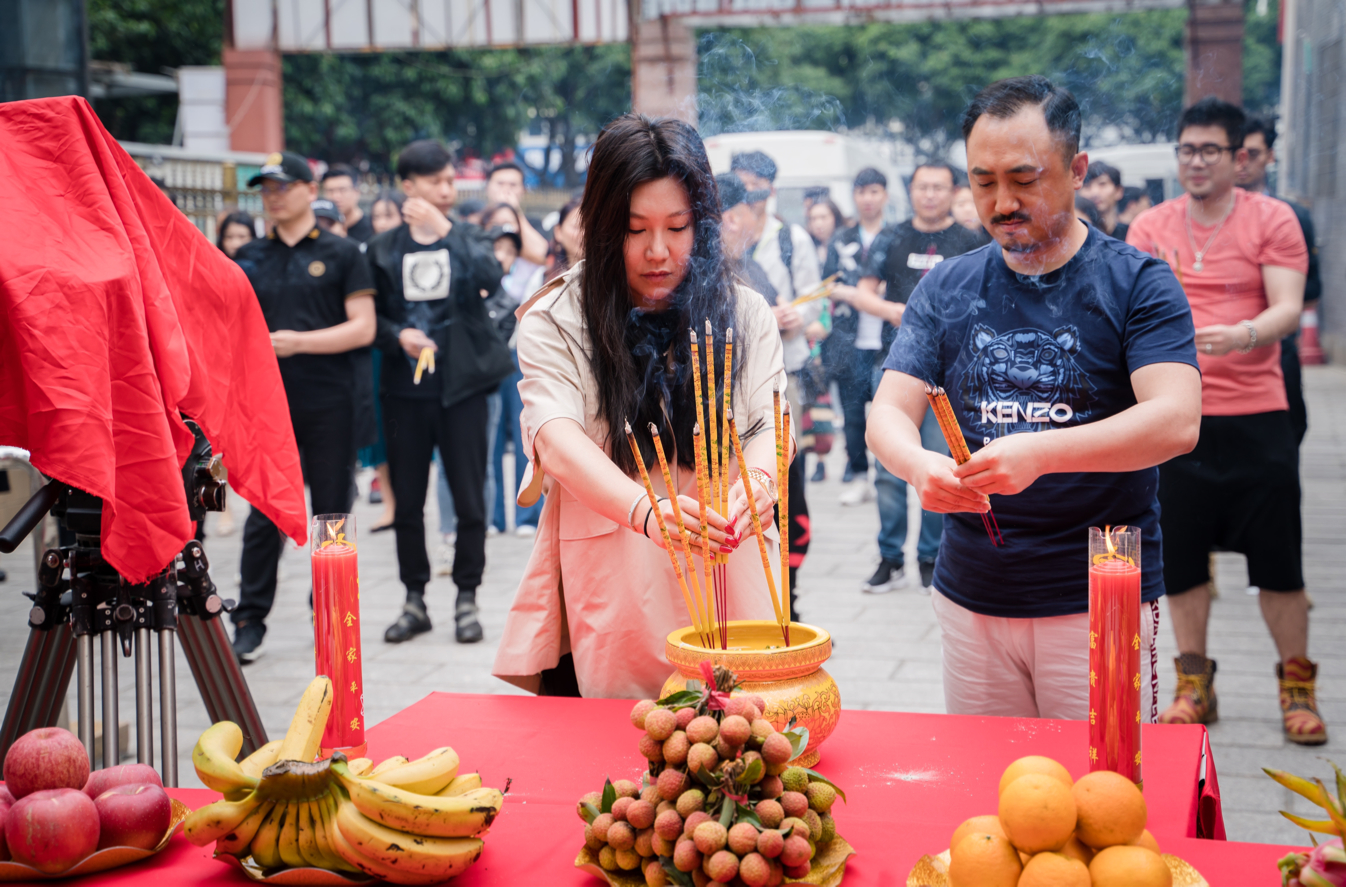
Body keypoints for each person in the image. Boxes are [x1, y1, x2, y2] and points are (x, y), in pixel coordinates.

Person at [867, 76, 1202, 720]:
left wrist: (1042, 452)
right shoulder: (947, 287)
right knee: (991, 796)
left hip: (1102, 589)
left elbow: (1176, 420)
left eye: (1024, 178)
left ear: (1076, 169)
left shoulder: (1137, 282)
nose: (1002, 202)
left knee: (1107, 792)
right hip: (971, 590)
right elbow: (888, 411)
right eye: (983, 181)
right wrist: (917, 467)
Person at [492, 114, 786, 699]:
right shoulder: (558, 318)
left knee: (742, 741)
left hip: (729, 556)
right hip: (617, 563)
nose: (658, 252)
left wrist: (757, 480)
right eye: (634, 230)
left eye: (678, 227)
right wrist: (647, 512)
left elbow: (769, 425)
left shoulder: (746, 311)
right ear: (600, 228)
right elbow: (556, 438)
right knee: (621, 746)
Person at [1127, 98, 1325, 745]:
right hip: (1177, 414)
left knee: (1279, 565)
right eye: (1187, 150)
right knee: (1180, 558)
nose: (1196, 162)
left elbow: (1288, 307)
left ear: (1239, 157)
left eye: (1210, 150)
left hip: (1258, 411)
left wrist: (1241, 333)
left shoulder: (1274, 219)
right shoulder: (1151, 225)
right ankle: (1194, 683)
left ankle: (1297, 687)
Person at [230, 152, 378, 663]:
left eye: (281, 186)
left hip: (330, 401)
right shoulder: (248, 256)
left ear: (307, 189)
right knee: (264, 511)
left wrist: (299, 343)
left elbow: (364, 326)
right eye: (264, 188)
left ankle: (331, 613)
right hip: (266, 405)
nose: (272, 196)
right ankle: (249, 618)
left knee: (332, 512)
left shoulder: (342, 253)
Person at [365, 139, 513, 645]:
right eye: (436, 182)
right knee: (407, 501)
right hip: (405, 392)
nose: (447, 191)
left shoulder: (465, 235)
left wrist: (446, 230)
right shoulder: (383, 249)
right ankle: (415, 599)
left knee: (471, 498)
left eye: (451, 182)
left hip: (463, 387)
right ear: (409, 187)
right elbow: (371, 317)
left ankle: (467, 597)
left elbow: (491, 278)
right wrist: (397, 336)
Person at [834, 163, 984, 593]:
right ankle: (889, 556)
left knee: (941, 465)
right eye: (923, 187)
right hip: (895, 364)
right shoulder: (892, 237)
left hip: (949, 375)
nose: (931, 195)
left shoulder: (970, 240)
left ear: (953, 191)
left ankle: (930, 557)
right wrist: (901, 314)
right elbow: (863, 292)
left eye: (939, 188)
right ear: (911, 190)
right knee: (888, 468)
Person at [731, 150, 818, 601]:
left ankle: (788, 592)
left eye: (756, 192)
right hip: (728, 390)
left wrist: (793, 315)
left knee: (784, 477)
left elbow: (813, 302)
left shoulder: (787, 240)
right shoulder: (723, 256)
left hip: (785, 370)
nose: (746, 206)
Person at [1238, 114, 1321, 445]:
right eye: (1237, 153)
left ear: (1271, 155)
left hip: (1275, 348)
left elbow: (1310, 292)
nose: (1243, 163)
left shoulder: (1292, 217)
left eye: (1253, 154)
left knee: (1285, 434)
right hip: (1210, 354)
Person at [819, 168, 890, 499]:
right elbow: (827, 285)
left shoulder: (896, 236)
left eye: (874, 192)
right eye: (862, 192)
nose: (868, 199)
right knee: (851, 415)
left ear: (885, 195)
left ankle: (889, 476)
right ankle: (859, 474)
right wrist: (856, 294)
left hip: (888, 340)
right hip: (849, 340)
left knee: (888, 413)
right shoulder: (842, 239)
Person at [484, 161, 549, 265]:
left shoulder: (533, 223)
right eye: (500, 184)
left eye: (513, 185)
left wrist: (515, 213)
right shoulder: (478, 218)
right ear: (487, 187)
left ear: (523, 190)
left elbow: (542, 254)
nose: (506, 190)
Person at [321, 164, 374, 243]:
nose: (336, 197)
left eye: (342, 190)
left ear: (356, 192)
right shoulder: (320, 228)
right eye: (330, 191)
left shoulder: (372, 228)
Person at [1080, 161, 1128, 240]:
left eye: (1102, 184)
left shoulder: (1131, 233)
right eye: (1087, 186)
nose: (1094, 192)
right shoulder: (1075, 236)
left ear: (1118, 191)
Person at [547, 197, 583, 282]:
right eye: (577, 227)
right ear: (558, 231)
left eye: (589, 227)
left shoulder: (604, 281)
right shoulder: (543, 278)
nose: (584, 233)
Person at [806, 197, 845, 264]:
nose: (818, 224)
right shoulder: (808, 248)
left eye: (823, 217)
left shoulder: (846, 244)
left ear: (835, 218)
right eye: (813, 219)